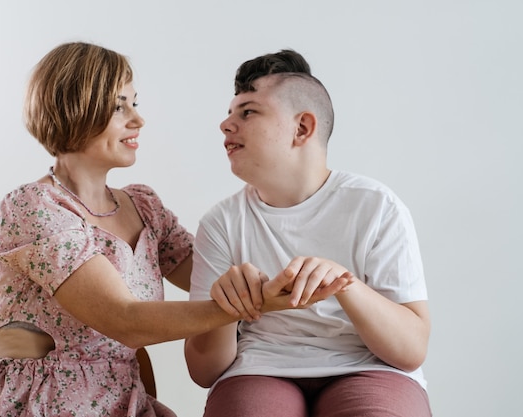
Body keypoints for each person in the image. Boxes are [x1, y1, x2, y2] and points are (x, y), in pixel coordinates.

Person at [0, 42, 349, 417]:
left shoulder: (145, 208)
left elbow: (217, 273)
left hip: (125, 401)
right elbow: (125, 320)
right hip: (40, 402)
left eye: (134, 103)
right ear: (75, 107)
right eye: (118, 106)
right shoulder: (32, 207)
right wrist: (253, 302)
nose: (137, 119)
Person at [184, 49, 432, 417]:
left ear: (302, 128)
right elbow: (205, 372)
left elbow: (411, 350)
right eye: (229, 113)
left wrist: (345, 285)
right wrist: (225, 309)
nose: (225, 124)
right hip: (260, 368)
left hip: (369, 366)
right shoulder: (220, 223)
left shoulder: (377, 206)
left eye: (248, 111)